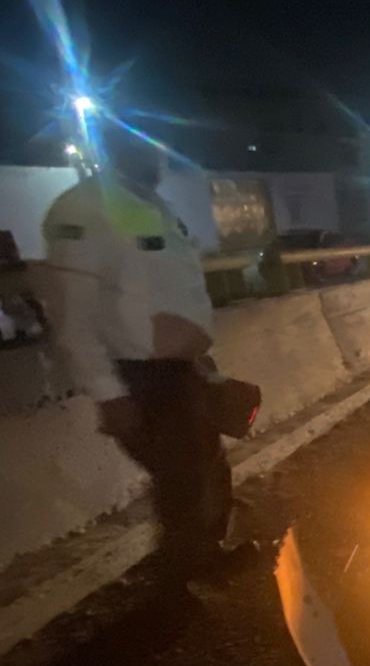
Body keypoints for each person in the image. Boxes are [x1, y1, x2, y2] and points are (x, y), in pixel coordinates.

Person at [38, 127, 247, 583]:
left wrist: (198, 357)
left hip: (180, 371)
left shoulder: (153, 207)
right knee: (182, 481)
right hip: (140, 378)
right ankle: (181, 581)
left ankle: (204, 558)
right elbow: (72, 314)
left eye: (160, 147)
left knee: (206, 470)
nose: (159, 156)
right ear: (116, 145)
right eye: (148, 146)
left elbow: (173, 293)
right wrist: (108, 393)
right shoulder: (83, 209)